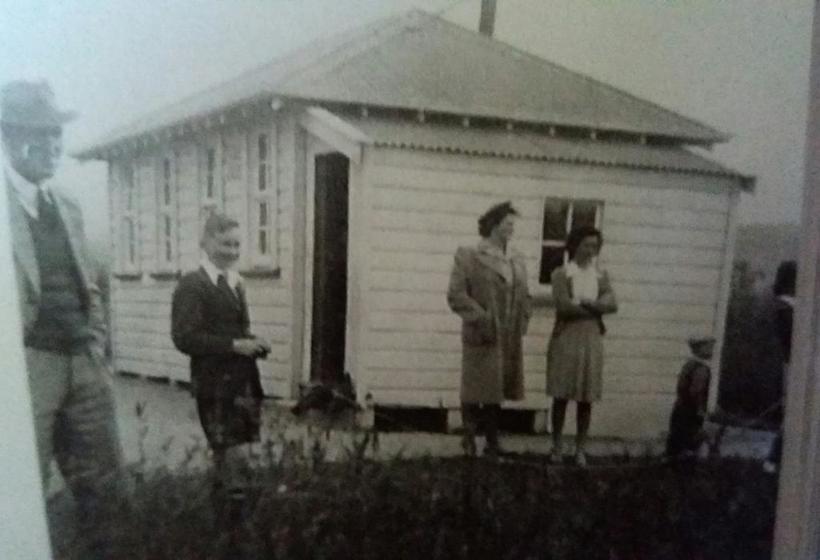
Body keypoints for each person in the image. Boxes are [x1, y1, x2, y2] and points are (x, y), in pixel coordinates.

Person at [2, 80, 125, 555]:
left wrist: (96, 344)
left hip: (84, 363)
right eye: (40, 133)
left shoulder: (68, 205)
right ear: (9, 137)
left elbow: (90, 285)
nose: (53, 145)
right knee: (19, 493)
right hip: (28, 366)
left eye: (57, 134)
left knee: (107, 493)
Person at [171, 213, 271, 516]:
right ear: (205, 242)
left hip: (243, 383)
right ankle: (232, 528)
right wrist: (235, 346)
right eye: (225, 244)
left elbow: (235, 332)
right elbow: (185, 337)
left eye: (237, 245)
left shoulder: (235, 282)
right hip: (214, 385)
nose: (232, 251)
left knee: (236, 462)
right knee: (231, 457)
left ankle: (224, 529)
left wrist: (253, 343)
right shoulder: (193, 284)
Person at [447, 201, 530, 456]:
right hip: (481, 331)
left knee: (497, 388)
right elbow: (456, 295)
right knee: (474, 387)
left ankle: (492, 442)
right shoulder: (469, 255)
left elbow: (525, 294)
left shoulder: (516, 259)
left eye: (513, 225)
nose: (511, 230)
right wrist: (482, 318)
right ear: (493, 225)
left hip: (508, 334)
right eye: (507, 224)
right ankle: (469, 438)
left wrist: (523, 318)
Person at [547, 226, 617, 466]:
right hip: (566, 337)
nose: (591, 250)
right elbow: (563, 306)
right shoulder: (562, 273)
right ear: (575, 245)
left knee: (585, 397)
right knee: (562, 394)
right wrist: (594, 307)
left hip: (592, 339)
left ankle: (580, 449)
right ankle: (556, 446)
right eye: (586, 245)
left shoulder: (600, 275)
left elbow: (612, 304)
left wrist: (589, 303)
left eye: (595, 246)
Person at [763, 260, 796, 474]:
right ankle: (773, 460)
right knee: (793, 415)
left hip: (789, 365)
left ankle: (775, 460)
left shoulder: (787, 307)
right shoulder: (786, 309)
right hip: (791, 366)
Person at [665, 337, 716, 458]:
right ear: (700, 349)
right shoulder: (701, 369)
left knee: (676, 442)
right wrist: (700, 410)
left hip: (679, 408)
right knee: (689, 444)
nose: (712, 350)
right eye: (709, 347)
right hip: (690, 411)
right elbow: (696, 391)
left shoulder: (688, 365)